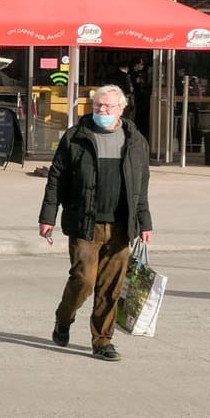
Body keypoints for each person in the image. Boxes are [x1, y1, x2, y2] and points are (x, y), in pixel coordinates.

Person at [38, 84, 153, 363]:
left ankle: (102, 341)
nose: (101, 110)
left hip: (120, 226)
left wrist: (145, 221)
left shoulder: (135, 141)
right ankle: (64, 318)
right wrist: (47, 217)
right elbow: (56, 179)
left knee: (110, 288)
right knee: (84, 280)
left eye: (107, 106)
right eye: (97, 106)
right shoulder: (75, 138)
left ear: (121, 109)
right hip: (84, 223)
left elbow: (141, 185)